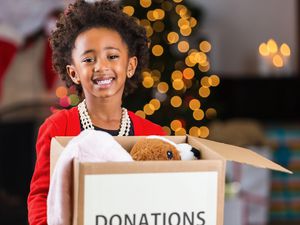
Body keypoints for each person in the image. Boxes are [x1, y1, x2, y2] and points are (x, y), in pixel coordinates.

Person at [27, 1, 166, 224]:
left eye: (112, 56)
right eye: (88, 59)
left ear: (130, 66)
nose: (101, 67)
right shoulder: (57, 128)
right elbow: (42, 196)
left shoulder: (154, 134)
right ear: (73, 73)